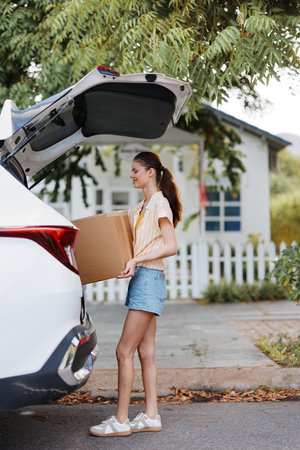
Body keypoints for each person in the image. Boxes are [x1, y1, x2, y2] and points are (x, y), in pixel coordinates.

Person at [89, 151, 182, 437]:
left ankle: (120, 420)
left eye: (135, 171)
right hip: (143, 278)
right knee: (145, 352)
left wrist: (137, 261)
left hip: (150, 278)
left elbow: (171, 245)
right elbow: (130, 247)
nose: (132, 175)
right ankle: (151, 416)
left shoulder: (159, 204)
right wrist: (126, 263)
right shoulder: (138, 208)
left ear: (150, 173)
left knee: (123, 351)